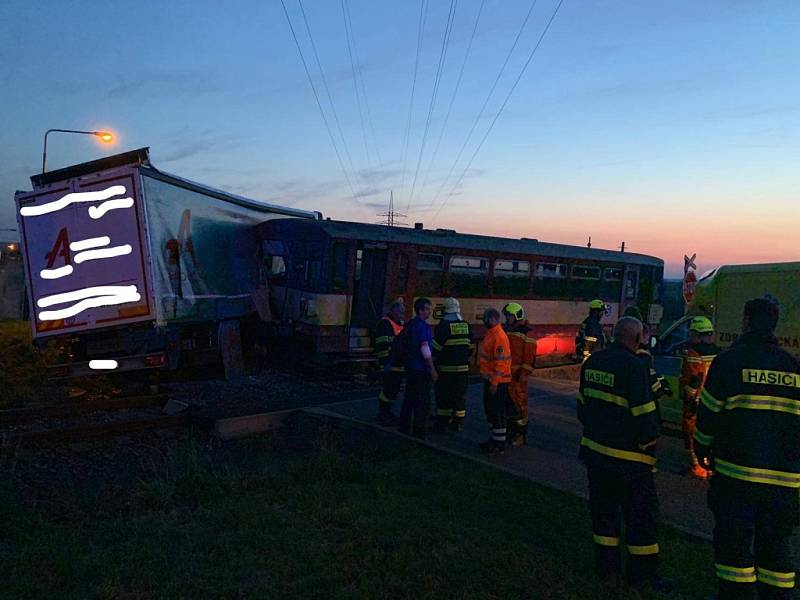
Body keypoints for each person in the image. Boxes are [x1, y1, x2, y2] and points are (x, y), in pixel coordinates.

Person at [694, 298, 800, 600]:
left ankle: (736, 595)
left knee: (734, 542)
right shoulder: (794, 367)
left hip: (735, 477)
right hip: (783, 483)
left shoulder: (729, 362)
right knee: (777, 543)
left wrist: (702, 450)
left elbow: (708, 416)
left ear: (746, 321)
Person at [577, 316, 672, 592]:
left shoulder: (593, 362)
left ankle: (606, 568)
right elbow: (646, 419)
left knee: (604, 514)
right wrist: (650, 442)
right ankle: (641, 574)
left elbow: (583, 409)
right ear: (637, 338)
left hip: (595, 455)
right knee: (641, 517)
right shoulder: (636, 367)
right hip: (631, 462)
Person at [678, 316, 720, 478]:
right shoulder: (718, 353)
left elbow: (694, 377)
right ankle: (709, 465)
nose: (690, 337)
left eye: (692, 333)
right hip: (712, 401)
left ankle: (697, 467)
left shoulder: (693, 353)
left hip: (696, 401)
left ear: (697, 334)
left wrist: (687, 396)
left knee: (690, 433)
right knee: (709, 433)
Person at [431, 297, 473, 433]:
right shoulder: (466, 325)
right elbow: (471, 348)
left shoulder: (442, 327)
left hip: (445, 371)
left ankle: (442, 423)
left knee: (444, 396)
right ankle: (458, 422)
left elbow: (435, 350)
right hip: (463, 371)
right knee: (459, 396)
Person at [398, 297, 438, 439]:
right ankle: (420, 432)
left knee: (409, 399)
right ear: (420, 310)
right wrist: (432, 369)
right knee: (422, 403)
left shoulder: (411, 324)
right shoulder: (423, 327)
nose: (429, 312)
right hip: (421, 369)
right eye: (427, 309)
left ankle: (404, 427)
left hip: (410, 367)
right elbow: (425, 349)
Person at [622, 305, 672, 416]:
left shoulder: (613, 353)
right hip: (638, 404)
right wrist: (662, 388)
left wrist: (661, 379)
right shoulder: (642, 355)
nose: (647, 339)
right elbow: (650, 376)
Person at [478, 308, 512, 454]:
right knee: (492, 412)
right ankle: (495, 440)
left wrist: (495, 382)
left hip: (497, 382)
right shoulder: (492, 334)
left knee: (496, 413)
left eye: (485, 319)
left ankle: (499, 445)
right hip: (492, 380)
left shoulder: (498, 336)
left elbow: (501, 363)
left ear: (491, 319)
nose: (483, 322)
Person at [502, 302, 537, 445]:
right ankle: (510, 432)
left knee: (519, 406)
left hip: (517, 377)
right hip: (505, 375)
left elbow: (529, 357)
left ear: (516, 316)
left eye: (509, 316)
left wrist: (523, 375)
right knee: (507, 406)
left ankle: (520, 435)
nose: (507, 319)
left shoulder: (526, 332)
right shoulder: (507, 329)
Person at [373, 300, 405, 426]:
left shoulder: (400, 324)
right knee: (388, 390)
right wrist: (385, 364)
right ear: (393, 311)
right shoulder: (385, 324)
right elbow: (382, 346)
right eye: (400, 311)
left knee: (393, 390)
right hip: (390, 364)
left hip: (398, 364)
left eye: (402, 311)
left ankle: (388, 413)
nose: (402, 313)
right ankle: (383, 414)